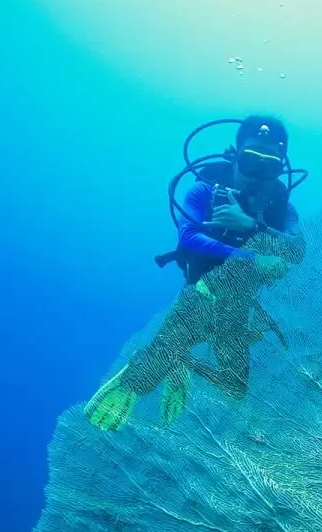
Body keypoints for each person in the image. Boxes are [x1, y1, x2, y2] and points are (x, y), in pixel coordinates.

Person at [84, 115, 306, 432]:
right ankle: (152, 364)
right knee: (147, 372)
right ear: (237, 153)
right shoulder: (205, 188)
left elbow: (297, 250)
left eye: (269, 165)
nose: (257, 174)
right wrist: (251, 257)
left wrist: (252, 226)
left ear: (281, 167)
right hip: (199, 294)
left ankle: (181, 360)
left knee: (236, 387)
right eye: (250, 160)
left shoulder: (280, 207)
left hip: (239, 305)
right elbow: (188, 238)